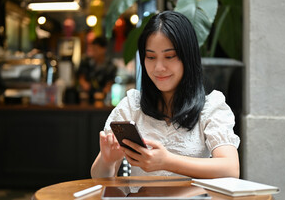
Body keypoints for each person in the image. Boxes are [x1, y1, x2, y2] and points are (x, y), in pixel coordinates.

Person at [91, 11, 240, 178]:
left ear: (188, 57)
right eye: (151, 57)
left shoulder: (211, 107)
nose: (159, 68)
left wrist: (167, 161)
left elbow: (230, 169)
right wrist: (107, 161)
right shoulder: (131, 106)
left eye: (169, 56)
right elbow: (99, 179)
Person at [77, 36, 117, 103]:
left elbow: (109, 84)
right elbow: (81, 78)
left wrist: (104, 92)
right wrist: (84, 84)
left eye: (96, 49)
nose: (93, 52)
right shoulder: (86, 62)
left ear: (104, 49)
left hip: (102, 100)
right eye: (92, 49)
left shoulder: (111, 66)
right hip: (84, 99)